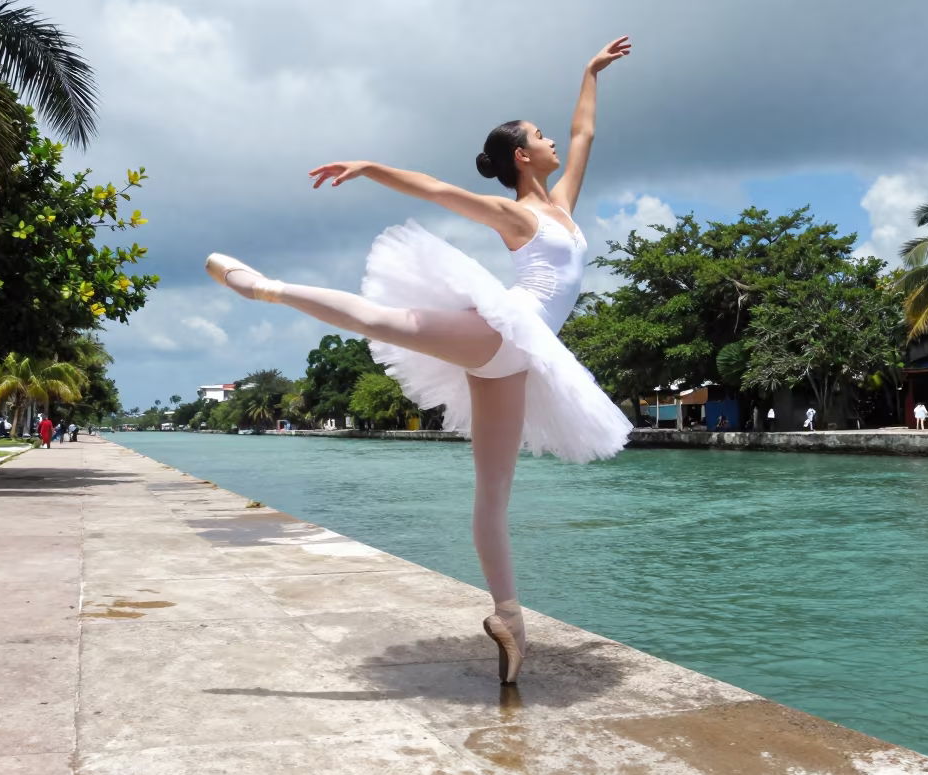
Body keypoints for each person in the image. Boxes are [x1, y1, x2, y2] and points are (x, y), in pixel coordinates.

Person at [205, 38, 634, 685]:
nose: (553, 141)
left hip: (517, 360)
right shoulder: (515, 216)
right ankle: (266, 288)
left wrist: (590, 73)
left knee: (493, 496)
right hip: (507, 332)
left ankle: (510, 621)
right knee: (391, 323)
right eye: (539, 136)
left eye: (549, 135)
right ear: (522, 156)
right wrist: (371, 166)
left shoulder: (563, 205)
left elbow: (585, 134)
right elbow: (436, 191)